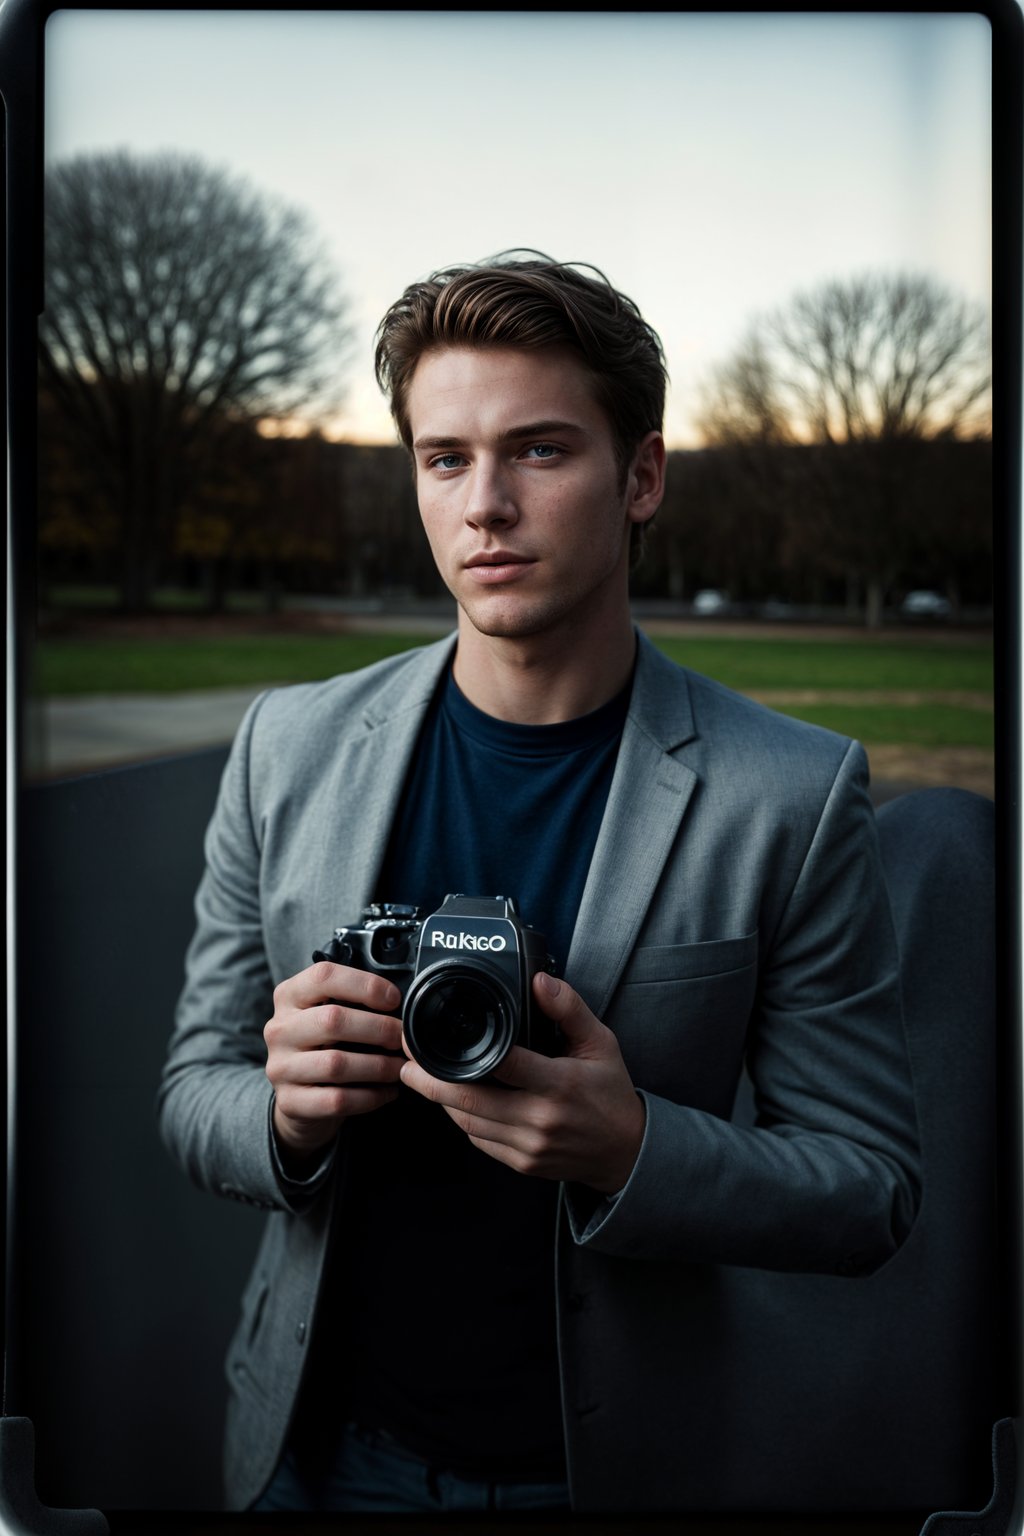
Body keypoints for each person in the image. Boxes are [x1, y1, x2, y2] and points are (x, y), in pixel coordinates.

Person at [158, 251, 921, 1515]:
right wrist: (284, 1117)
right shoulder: (283, 747)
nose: (484, 506)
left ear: (642, 477)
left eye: (541, 451)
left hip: (608, 1475)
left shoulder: (789, 794)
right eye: (444, 457)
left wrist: (633, 1150)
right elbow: (193, 1092)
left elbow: (869, 1188)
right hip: (300, 1447)